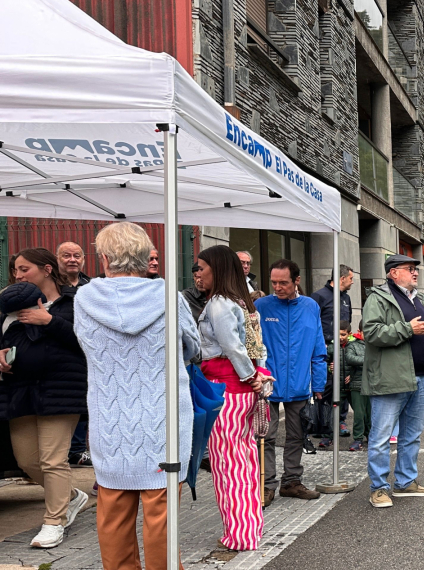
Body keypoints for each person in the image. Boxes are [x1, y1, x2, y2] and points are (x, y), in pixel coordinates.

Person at [73, 222, 201, 569]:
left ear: (104, 259)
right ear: (146, 259)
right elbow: (193, 347)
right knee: (162, 520)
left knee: (112, 517)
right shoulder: (169, 297)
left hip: (111, 422)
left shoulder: (85, 298)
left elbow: (84, 344)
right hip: (163, 423)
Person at [0, 248, 91, 548]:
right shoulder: (10, 308)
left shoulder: (73, 302)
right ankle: (71, 496)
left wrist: (49, 321)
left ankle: (54, 522)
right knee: (27, 460)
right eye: (15, 270)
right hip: (19, 391)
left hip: (61, 390)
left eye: (24, 269)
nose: (18, 276)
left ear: (47, 269)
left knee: (52, 460)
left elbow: (87, 341)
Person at [361, 254, 424, 508]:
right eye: (409, 269)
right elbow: (371, 333)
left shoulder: (418, 298)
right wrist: (407, 329)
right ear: (393, 273)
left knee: (412, 434)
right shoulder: (378, 298)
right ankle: (379, 488)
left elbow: (421, 335)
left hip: (419, 376)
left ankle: (405, 482)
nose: (415, 273)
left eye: (416, 269)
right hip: (390, 379)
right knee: (381, 437)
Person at [195, 245, 270, 549]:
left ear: (217, 269)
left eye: (201, 267)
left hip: (226, 389)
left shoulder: (219, 303)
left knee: (228, 465)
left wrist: (250, 376)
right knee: (244, 461)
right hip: (243, 390)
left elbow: (231, 347)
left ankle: (239, 534)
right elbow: (255, 347)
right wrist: (257, 375)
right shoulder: (242, 302)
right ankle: (248, 530)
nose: (197, 273)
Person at [255, 259, 326, 502]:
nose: (277, 287)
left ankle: (291, 482)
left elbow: (318, 347)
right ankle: (266, 485)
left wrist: (319, 384)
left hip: (299, 385)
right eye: (274, 282)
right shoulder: (261, 306)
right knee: (266, 436)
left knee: (297, 435)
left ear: (296, 280)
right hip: (266, 384)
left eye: (283, 282)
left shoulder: (310, 306)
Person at [56, 242, 91, 467]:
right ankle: (63, 450)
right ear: (57, 260)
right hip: (61, 350)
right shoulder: (53, 286)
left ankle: (77, 450)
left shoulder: (91, 286)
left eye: (77, 256)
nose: (72, 260)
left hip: (86, 353)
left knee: (83, 401)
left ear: (83, 259)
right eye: (66, 255)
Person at [312, 265, 353, 447]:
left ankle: (341, 421)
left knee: (343, 383)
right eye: (351, 278)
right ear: (342, 278)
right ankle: (323, 424)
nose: (352, 282)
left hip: (341, 348)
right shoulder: (319, 296)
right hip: (324, 349)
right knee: (325, 386)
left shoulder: (346, 298)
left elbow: (348, 322)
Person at [342, 322, 368, 451]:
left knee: (371, 414)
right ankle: (358, 438)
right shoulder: (352, 345)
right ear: (359, 331)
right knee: (359, 414)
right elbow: (350, 358)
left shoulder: (376, 345)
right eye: (365, 332)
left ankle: (371, 436)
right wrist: (370, 360)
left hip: (375, 385)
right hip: (357, 385)